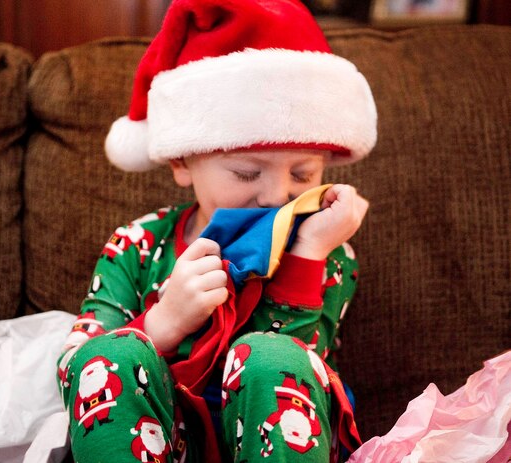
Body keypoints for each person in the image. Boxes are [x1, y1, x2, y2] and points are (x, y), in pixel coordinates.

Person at [56, 0, 377, 462]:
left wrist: (307, 256)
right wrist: (164, 323)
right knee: (111, 356)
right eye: (247, 174)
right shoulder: (138, 244)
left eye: (303, 174)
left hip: (273, 443)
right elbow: (75, 367)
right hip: (159, 442)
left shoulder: (328, 247)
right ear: (182, 161)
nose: (275, 196)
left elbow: (300, 369)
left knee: (275, 358)